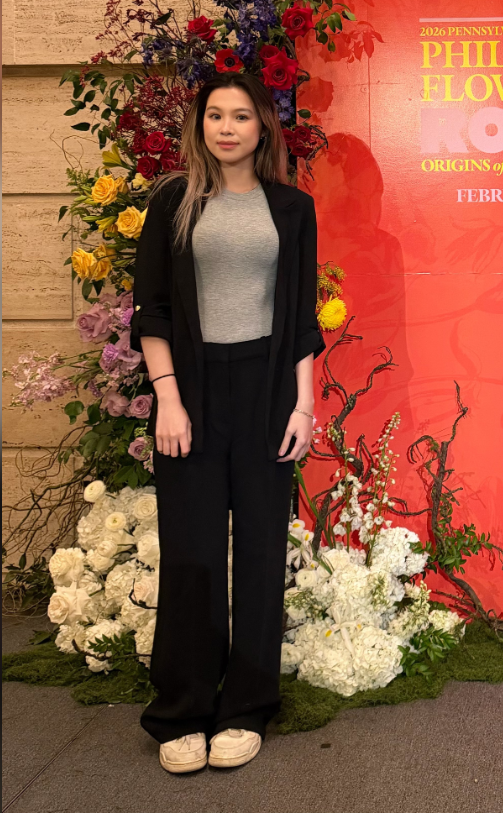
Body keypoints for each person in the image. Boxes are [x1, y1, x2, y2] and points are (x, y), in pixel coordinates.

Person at [129, 72, 325, 773]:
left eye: (242, 116)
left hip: (268, 391)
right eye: (216, 115)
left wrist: (304, 405)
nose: (228, 127)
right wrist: (169, 398)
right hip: (194, 390)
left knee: (263, 553)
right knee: (192, 551)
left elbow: (302, 318)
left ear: (261, 128)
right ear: (200, 125)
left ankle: (246, 707)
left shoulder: (293, 209)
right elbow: (150, 310)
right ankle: (181, 710)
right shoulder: (172, 204)